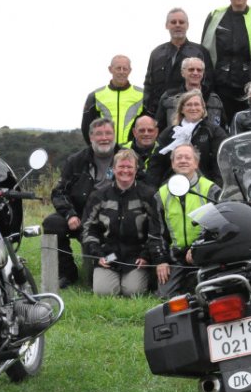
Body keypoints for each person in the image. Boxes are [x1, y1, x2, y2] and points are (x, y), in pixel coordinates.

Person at [45, 118, 119, 288]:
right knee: (52, 223)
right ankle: (67, 272)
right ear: (91, 137)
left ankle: (113, 264)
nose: (104, 138)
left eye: (108, 133)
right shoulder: (76, 161)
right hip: (80, 215)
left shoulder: (125, 157)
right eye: (99, 134)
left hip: (114, 217)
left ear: (114, 135)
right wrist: (70, 214)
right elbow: (59, 192)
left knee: (93, 277)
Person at [82, 149, 166, 297]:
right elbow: (88, 229)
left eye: (129, 167)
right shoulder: (98, 196)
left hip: (136, 257)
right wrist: (97, 254)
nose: (125, 171)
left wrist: (146, 255)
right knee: (104, 292)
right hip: (109, 255)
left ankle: (141, 278)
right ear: (113, 169)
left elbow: (156, 230)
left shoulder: (149, 195)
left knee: (133, 291)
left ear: (136, 169)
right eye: (121, 166)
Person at [155, 144, 222, 297]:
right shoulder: (161, 194)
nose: (183, 161)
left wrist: (198, 247)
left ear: (196, 163)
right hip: (176, 257)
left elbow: (217, 227)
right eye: (178, 158)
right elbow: (156, 232)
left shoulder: (211, 190)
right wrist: (161, 260)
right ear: (173, 164)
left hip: (204, 253)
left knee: (209, 292)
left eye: (188, 157)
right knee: (165, 296)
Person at [143, 8, 214, 120]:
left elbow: (209, 83)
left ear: (187, 25)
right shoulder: (157, 53)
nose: (177, 25)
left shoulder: (200, 51)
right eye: (173, 22)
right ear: (167, 25)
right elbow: (149, 84)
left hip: (192, 112)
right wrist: (149, 110)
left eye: (181, 22)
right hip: (162, 113)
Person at [149, 89, 228, 186]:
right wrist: (152, 189)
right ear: (182, 109)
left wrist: (216, 188)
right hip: (171, 184)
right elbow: (156, 163)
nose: (193, 108)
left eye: (196, 104)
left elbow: (221, 162)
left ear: (203, 108)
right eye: (189, 105)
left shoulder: (214, 132)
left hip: (205, 185)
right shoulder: (169, 133)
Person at [81, 55, 144, 145]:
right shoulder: (95, 96)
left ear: (130, 70)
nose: (121, 72)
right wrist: (96, 148)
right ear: (110, 69)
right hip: (105, 149)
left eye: (125, 69)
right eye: (118, 68)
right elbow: (86, 127)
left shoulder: (142, 95)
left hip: (133, 150)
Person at [154, 56, 225, 132]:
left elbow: (223, 129)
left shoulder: (214, 99)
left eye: (199, 70)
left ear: (203, 73)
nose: (195, 73)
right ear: (182, 73)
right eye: (191, 70)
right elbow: (158, 127)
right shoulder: (169, 97)